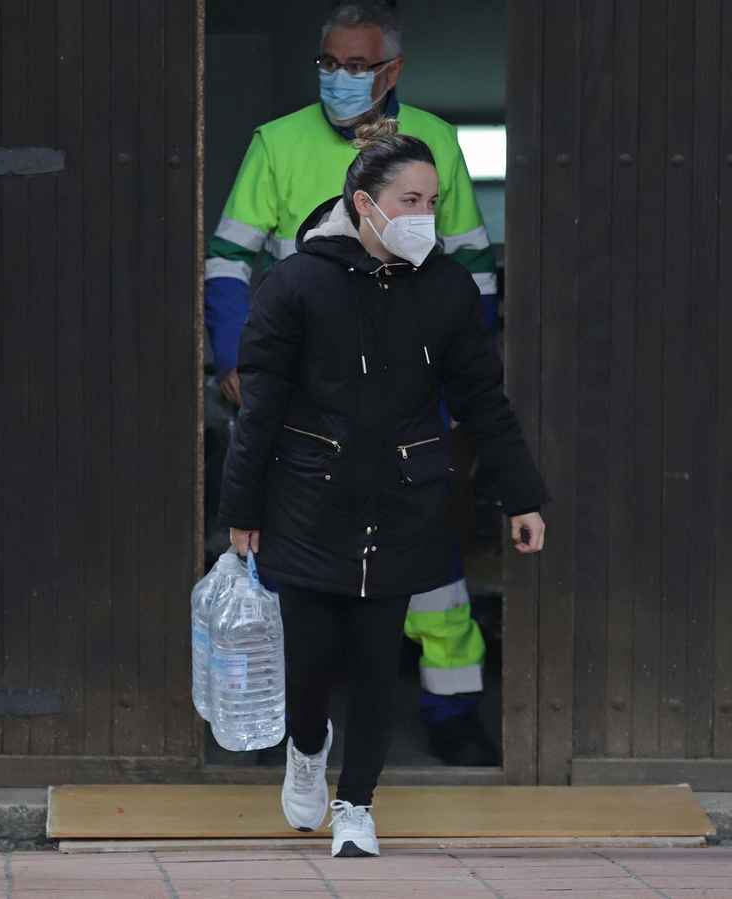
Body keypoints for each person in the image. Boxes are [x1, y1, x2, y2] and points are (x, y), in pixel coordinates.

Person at [218, 120, 549, 858]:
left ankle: (356, 803)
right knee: (310, 665)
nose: (424, 216)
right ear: (364, 203)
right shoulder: (296, 282)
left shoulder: (447, 290)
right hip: (307, 497)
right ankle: (308, 750)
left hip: (403, 498)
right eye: (409, 199)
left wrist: (521, 495)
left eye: (432, 200)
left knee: (374, 662)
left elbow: (483, 401)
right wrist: (240, 508)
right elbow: (262, 404)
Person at [206, 2, 504, 765]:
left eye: (357, 65)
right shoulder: (276, 141)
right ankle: (279, 723)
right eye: (328, 64)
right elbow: (229, 262)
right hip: (304, 387)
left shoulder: (434, 142)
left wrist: (460, 379)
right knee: (284, 562)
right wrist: (240, 360)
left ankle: (452, 709)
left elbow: (471, 269)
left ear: (392, 70)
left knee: (430, 563)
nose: (340, 78)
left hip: (408, 389)